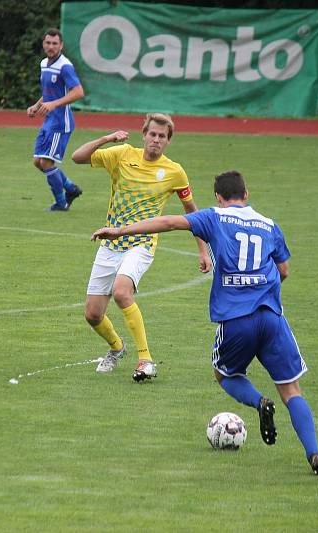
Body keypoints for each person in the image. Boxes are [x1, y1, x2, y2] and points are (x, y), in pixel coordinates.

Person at [91, 170, 318, 475]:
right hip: (272, 318)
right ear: (246, 194)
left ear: (218, 197)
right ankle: (314, 453)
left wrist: (119, 231)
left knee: (225, 375)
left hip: (236, 319)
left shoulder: (215, 217)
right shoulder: (270, 225)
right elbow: (283, 270)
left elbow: (168, 222)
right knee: (292, 391)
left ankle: (259, 402)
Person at [72, 113, 211, 382]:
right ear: (144, 134)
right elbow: (77, 157)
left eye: (162, 136)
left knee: (122, 292)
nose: (156, 140)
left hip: (142, 244)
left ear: (168, 141)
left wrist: (203, 250)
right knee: (92, 314)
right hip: (111, 243)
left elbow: (193, 214)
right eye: (153, 134)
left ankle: (145, 359)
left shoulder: (174, 172)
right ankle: (116, 348)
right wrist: (107, 138)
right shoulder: (122, 154)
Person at [27, 28, 84, 212]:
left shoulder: (64, 66)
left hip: (61, 122)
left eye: (54, 43)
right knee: (38, 162)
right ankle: (70, 188)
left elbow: (78, 92)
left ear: (61, 45)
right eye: (48, 43)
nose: (51, 46)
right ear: (43, 44)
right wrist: (37, 106)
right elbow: (49, 93)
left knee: (46, 163)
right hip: (49, 120)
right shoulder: (44, 63)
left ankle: (61, 203)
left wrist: (54, 105)